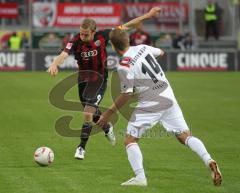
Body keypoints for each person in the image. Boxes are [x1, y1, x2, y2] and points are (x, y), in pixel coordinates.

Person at [97, 28, 222, 186]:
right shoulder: (143, 47)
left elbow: (126, 95)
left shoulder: (123, 66)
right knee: (184, 136)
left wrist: (107, 115)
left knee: (130, 139)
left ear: (113, 47)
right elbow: (161, 53)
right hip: (168, 95)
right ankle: (208, 159)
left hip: (151, 102)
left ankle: (140, 178)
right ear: (128, 40)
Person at [47, 7, 161, 160]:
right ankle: (107, 127)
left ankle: (81, 147)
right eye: (81, 33)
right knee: (93, 115)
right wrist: (55, 64)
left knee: (87, 112)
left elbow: (127, 25)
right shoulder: (75, 40)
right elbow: (64, 54)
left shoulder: (103, 35)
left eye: (86, 34)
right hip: (83, 81)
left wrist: (148, 15)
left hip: (99, 79)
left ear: (94, 32)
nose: (82, 36)